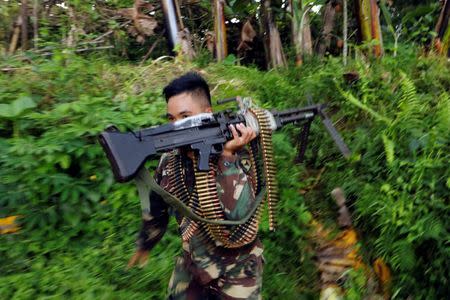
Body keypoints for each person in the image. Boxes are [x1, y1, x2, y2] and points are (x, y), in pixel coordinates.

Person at [127, 72, 265, 299]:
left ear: (207, 114)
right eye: (171, 119)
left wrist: (227, 157)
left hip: (239, 270)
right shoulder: (170, 161)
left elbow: (238, 218)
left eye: (185, 116)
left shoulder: (241, 156)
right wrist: (145, 243)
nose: (176, 126)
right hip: (194, 264)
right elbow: (157, 209)